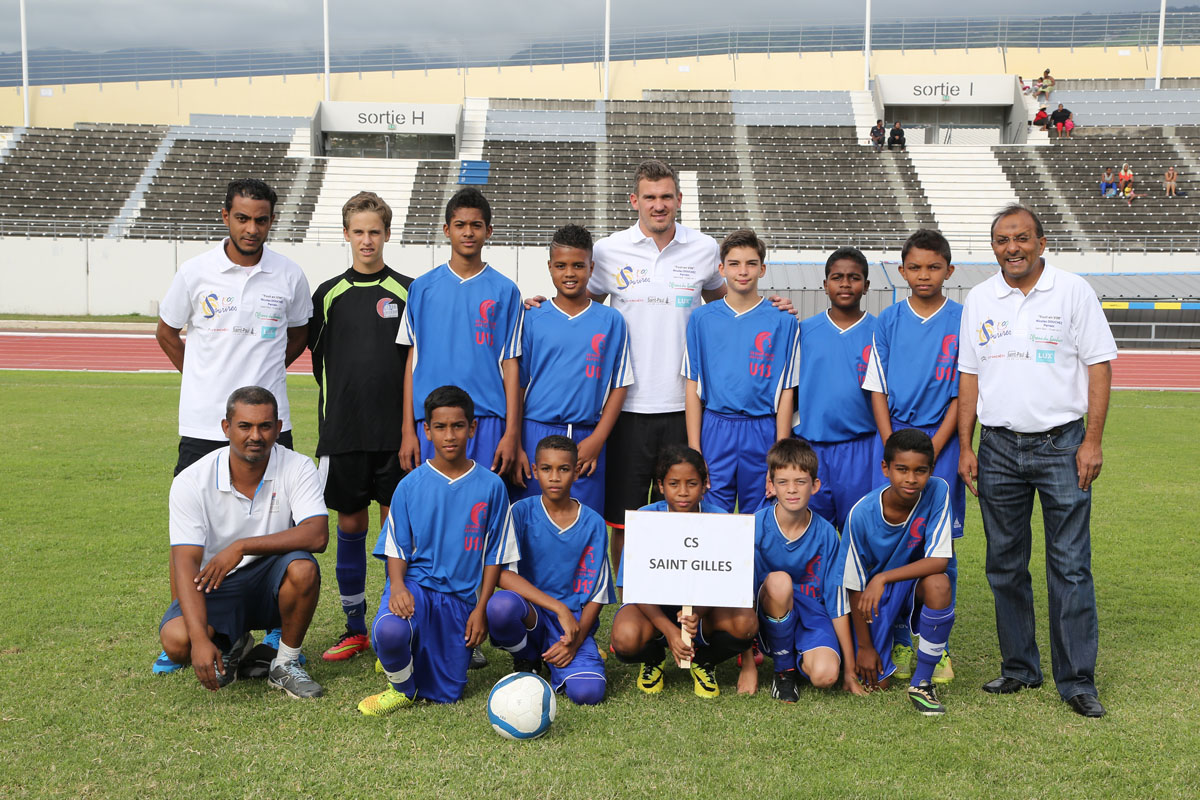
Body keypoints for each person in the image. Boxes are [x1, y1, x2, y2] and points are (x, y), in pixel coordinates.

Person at [958, 204, 1116, 719]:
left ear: (1042, 242)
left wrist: (1091, 442)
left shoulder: (1073, 292)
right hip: (998, 447)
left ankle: (1076, 680)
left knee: (1069, 566)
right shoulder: (980, 298)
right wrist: (966, 445)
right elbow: (970, 376)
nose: (1013, 248)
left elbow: (1099, 367)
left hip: (1062, 445)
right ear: (994, 248)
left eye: (1022, 238)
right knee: (1004, 564)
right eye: (1003, 240)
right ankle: (1020, 666)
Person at [154, 178, 312, 674]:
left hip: (266, 423)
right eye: (242, 218)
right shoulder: (195, 272)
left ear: (271, 221)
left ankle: (275, 634)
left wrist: (258, 388)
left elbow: (299, 336)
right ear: (226, 216)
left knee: (278, 524)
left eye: (261, 219)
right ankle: (196, 627)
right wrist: (203, 380)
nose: (251, 228)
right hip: (203, 424)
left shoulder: (288, 275)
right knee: (192, 530)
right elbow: (166, 331)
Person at [157, 386, 327, 698]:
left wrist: (241, 546)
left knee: (303, 568)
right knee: (177, 641)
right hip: (216, 585)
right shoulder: (192, 481)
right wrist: (199, 640)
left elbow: (317, 534)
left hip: (270, 581)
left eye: (265, 426)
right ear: (226, 428)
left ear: (278, 428)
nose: (255, 436)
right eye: (244, 426)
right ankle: (234, 644)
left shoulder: (298, 466)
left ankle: (285, 664)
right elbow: (185, 564)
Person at [358, 386, 519, 715]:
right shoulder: (410, 485)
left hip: (459, 599)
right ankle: (401, 687)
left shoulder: (491, 487)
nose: (450, 435)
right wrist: (398, 587)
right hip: (416, 585)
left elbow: (494, 555)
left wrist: (481, 609)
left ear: (472, 428)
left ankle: (408, 651)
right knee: (389, 630)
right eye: (441, 427)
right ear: (427, 430)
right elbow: (396, 548)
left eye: (458, 426)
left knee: (449, 693)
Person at [308, 191, 413, 662]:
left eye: (375, 231)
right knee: (350, 525)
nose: (367, 240)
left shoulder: (410, 291)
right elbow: (312, 359)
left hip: (398, 435)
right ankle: (354, 627)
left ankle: (405, 622)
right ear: (346, 234)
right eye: (358, 231)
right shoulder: (327, 294)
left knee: (399, 532)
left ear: (387, 234)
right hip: (344, 433)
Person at [862, 228, 963, 685]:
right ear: (901, 271)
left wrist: (937, 447)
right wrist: (893, 447)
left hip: (943, 438)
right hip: (896, 440)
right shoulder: (888, 320)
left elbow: (967, 390)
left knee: (941, 543)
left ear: (949, 270)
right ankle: (899, 634)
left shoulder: (963, 318)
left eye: (934, 267)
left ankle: (934, 644)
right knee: (893, 540)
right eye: (915, 267)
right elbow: (877, 386)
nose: (924, 275)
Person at [610, 445, 758, 698]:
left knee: (745, 623)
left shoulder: (721, 520)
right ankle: (654, 659)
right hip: (653, 609)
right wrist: (669, 631)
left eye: (691, 483)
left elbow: (732, 585)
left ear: (705, 485)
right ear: (660, 485)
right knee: (624, 637)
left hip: (705, 609)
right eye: (674, 483)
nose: (682, 492)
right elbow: (630, 588)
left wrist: (698, 612)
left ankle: (703, 661)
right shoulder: (645, 520)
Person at [397, 187, 523, 482]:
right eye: (460, 225)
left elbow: (511, 364)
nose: (468, 232)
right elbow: (411, 364)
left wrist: (512, 434)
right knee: (433, 511)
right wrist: (407, 430)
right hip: (431, 422)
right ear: (446, 230)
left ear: (488, 231)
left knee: (481, 513)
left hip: (487, 419)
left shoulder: (506, 291)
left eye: (476, 225)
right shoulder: (421, 288)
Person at [487, 435, 616, 705]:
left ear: (577, 471)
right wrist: (559, 608)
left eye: (564, 469)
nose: (554, 477)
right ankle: (528, 657)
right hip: (531, 613)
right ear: (535, 471)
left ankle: (558, 656)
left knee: (588, 693)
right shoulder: (520, 512)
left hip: (571, 626)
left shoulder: (592, 522)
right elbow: (501, 573)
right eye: (546, 469)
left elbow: (598, 592)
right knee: (500, 607)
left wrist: (576, 640)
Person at [514, 224, 633, 517]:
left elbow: (620, 384)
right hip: (535, 434)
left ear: (591, 267)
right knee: (530, 524)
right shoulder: (532, 316)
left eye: (578, 265)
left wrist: (597, 439)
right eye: (561, 266)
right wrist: (516, 442)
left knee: (584, 523)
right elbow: (517, 384)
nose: (570, 273)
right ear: (550, 267)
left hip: (586, 438)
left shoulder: (611, 321)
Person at [837, 429, 956, 715]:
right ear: (885, 468)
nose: (911, 479)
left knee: (939, 584)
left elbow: (939, 561)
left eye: (920, 471)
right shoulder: (861, 514)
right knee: (877, 683)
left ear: (931, 470)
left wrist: (884, 577)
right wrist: (864, 647)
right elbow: (853, 585)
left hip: (908, 583)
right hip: (872, 598)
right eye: (901, 469)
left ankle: (922, 681)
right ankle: (896, 638)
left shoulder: (938, 491)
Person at [683, 228, 799, 514]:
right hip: (716, 427)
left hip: (762, 428)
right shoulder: (701, 318)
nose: (742, 271)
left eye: (750, 263)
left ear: (762, 269)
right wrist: (695, 449)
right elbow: (692, 386)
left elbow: (786, 390)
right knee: (711, 514)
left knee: (762, 514)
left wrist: (780, 456)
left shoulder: (783, 320)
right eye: (734, 264)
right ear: (721, 268)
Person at [754, 439, 865, 702]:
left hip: (811, 614)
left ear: (815, 486)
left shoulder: (827, 533)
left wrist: (849, 669)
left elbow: (837, 602)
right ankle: (784, 672)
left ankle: (799, 654)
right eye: (782, 482)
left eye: (800, 482)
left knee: (826, 676)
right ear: (771, 486)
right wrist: (749, 665)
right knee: (780, 582)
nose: (792, 490)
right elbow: (738, 596)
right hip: (764, 615)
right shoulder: (755, 526)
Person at [792, 247, 877, 532]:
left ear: (866, 286)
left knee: (860, 530)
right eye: (837, 277)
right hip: (812, 449)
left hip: (861, 449)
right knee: (813, 532)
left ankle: (859, 580)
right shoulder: (803, 331)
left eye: (854, 277)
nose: (844, 283)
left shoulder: (880, 332)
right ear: (825, 284)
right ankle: (820, 580)